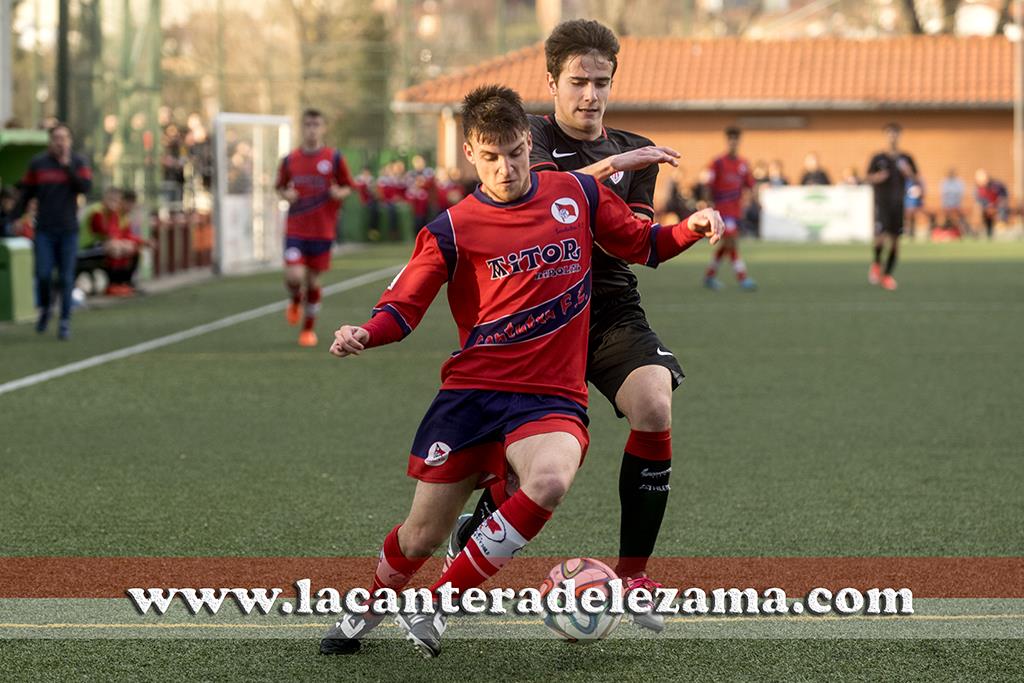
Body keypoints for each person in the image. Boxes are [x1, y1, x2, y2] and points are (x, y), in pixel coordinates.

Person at [318, 85, 723, 658]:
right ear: (470, 154)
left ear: (528, 144)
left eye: (514, 153)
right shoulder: (451, 229)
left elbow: (641, 244)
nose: (505, 168)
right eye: (491, 157)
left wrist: (692, 228)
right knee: (421, 536)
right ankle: (369, 605)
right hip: (473, 395)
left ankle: (438, 605)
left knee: (551, 479)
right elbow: (402, 308)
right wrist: (365, 332)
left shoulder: (577, 194)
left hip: (549, 396)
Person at [443, 19, 689, 634]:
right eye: (578, 81)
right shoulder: (522, 138)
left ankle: (633, 577)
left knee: (654, 403)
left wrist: (680, 222)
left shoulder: (636, 151)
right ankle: (475, 531)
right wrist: (608, 170)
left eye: (601, 83)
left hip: (605, 308)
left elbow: (626, 238)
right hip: (531, 314)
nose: (590, 95)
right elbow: (526, 203)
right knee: (531, 468)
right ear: (551, 81)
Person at [275, 108, 354, 347]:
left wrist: (337, 192)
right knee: (294, 275)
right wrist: (286, 193)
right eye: (308, 125)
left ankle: (308, 329)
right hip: (296, 229)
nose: (312, 129)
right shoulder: (290, 160)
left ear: (323, 128)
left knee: (313, 281)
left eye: (316, 125)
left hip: (322, 229)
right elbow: (279, 186)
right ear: (303, 127)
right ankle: (294, 299)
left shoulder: (334, 158)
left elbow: (347, 186)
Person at [11, 123, 92, 339]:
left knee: (66, 277)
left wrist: (67, 167)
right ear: (50, 140)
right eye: (56, 138)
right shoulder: (38, 163)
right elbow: (27, 193)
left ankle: (65, 320)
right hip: (45, 229)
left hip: (68, 230)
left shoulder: (78, 162)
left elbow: (85, 187)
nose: (60, 142)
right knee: (44, 275)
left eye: (64, 138)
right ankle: (46, 309)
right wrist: (13, 218)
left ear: (70, 141)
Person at [703, 126, 757, 291]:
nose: (733, 143)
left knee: (727, 245)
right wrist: (707, 206)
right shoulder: (717, 163)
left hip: (735, 211)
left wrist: (752, 199)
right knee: (731, 243)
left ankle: (710, 276)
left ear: (739, 142)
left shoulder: (743, 164)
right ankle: (742, 277)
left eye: (736, 140)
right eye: (731, 139)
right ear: (727, 141)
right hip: (722, 211)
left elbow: (750, 185)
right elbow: (707, 186)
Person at [866, 122, 918, 291]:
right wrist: (878, 177)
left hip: (898, 204)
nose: (893, 137)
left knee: (896, 241)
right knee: (880, 237)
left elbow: (916, 179)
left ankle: (887, 275)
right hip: (882, 203)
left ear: (899, 136)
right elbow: (867, 178)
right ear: (886, 136)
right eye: (890, 133)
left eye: (896, 133)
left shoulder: (906, 158)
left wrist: (908, 173)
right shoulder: (878, 158)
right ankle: (876, 263)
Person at [974, 169, 1009, 240]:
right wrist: (988, 207)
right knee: (982, 213)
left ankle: (1002, 227)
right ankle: (988, 234)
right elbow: (980, 201)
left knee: (1002, 208)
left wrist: (995, 206)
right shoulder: (979, 189)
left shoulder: (997, 185)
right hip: (987, 208)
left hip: (998, 206)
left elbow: (1003, 197)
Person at [938, 168, 967, 236]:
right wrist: (946, 206)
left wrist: (956, 205)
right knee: (946, 218)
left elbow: (960, 195)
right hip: (947, 206)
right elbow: (943, 195)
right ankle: (946, 232)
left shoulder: (959, 182)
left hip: (956, 205)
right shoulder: (944, 182)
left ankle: (963, 232)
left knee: (960, 218)